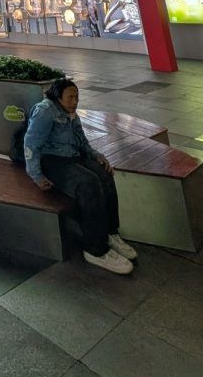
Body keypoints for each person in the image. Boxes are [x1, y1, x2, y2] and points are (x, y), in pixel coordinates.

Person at [24, 77, 137, 274]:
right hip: (52, 161)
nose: (75, 101)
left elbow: (82, 140)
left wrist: (97, 156)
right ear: (58, 97)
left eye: (77, 97)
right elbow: (31, 144)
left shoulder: (71, 113)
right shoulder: (44, 111)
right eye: (70, 97)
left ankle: (110, 232)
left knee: (104, 175)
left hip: (73, 156)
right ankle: (95, 249)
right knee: (89, 184)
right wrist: (36, 175)